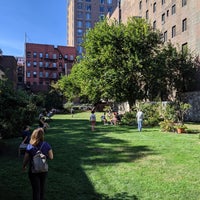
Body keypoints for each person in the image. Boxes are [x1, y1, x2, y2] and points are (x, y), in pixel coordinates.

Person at [22, 128, 53, 200]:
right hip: (43, 169)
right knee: (42, 188)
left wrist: (24, 166)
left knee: (36, 190)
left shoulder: (30, 146)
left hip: (33, 170)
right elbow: (51, 157)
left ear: (33, 135)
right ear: (42, 136)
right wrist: (43, 155)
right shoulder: (46, 144)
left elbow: (26, 159)